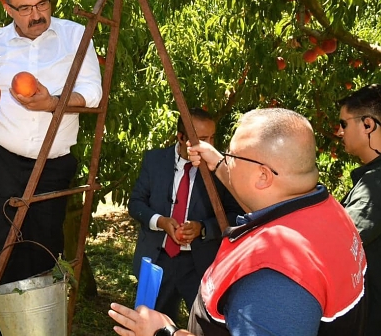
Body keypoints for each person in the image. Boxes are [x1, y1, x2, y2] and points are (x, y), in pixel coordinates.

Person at [110, 108, 367, 336]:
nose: (226, 161)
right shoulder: (331, 213)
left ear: (263, 176)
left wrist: (164, 333)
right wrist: (219, 163)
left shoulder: (273, 278)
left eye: (232, 156)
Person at [0, 0, 102, 291]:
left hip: (52, 165)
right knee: (1, 256)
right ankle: (8, 326)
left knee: (43, 254)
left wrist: (54, 102)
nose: (36, 15)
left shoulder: (76, 36)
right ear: (8, 9)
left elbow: (93, 93)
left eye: (42, 4)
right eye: (24, 8)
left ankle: (40, 322)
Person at [129, 108, 241, 322]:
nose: (208, 145)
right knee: (149, 323)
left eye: (212, 138)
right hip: (158, 259)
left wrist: (203, 227)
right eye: (201, 139)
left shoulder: (220, 170)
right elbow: (136, 203)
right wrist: (159, 221)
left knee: (204, 325)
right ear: (181, 137)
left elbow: (235, 215)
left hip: (199, 263)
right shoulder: (154, 161)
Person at [337, 84, 381, 335]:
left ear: (368, 125)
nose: (340, 132)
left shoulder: (376, 184)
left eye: (344, 124)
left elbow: (342, 243)